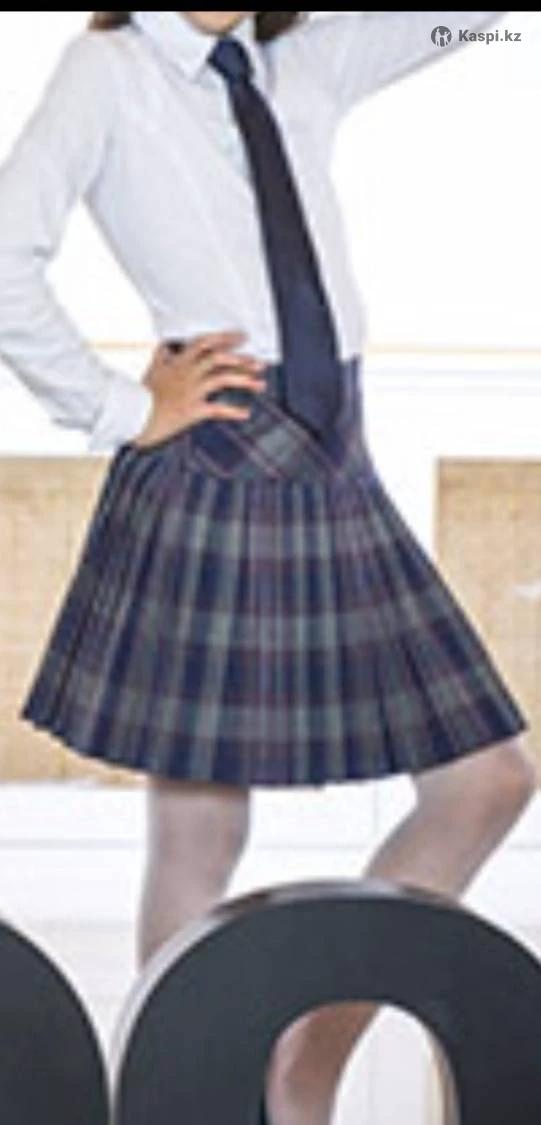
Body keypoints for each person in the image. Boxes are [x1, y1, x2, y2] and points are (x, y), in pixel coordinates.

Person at [0, 12, 536, 1125]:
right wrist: (117, 409)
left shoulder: (304, 60)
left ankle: (301, 1063)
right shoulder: (108, 70)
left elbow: (470, 22)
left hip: (337, 462)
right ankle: (188, 1101)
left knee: (488, 775)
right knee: (199, 829)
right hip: (216, 456)